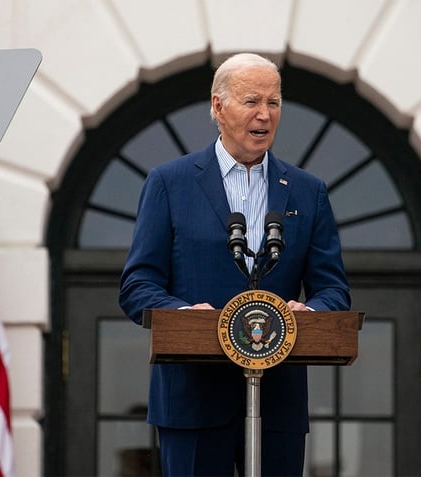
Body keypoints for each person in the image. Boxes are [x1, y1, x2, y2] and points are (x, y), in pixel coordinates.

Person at [118, 52, 351, 477]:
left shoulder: (306, 191)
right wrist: (185, 316)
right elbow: (137, 285)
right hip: (192, 398)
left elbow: (333, 289)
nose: (265, 114)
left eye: (274, 102)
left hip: (278, 401)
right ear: (218, 106)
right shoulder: (170, 183)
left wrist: (311, 311)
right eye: (252, 101)